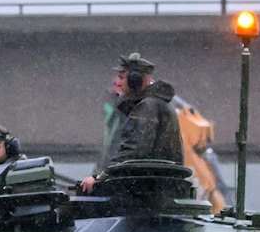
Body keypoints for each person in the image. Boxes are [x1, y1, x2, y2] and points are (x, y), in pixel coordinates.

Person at [78, 52, 183, 193]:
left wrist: (99, 178)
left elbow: (134, 152)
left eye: (122, 78)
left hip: (146, 194)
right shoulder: (155, 104)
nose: (118, 83)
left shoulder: (147, 107)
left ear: (135, 80)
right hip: (157, 189)